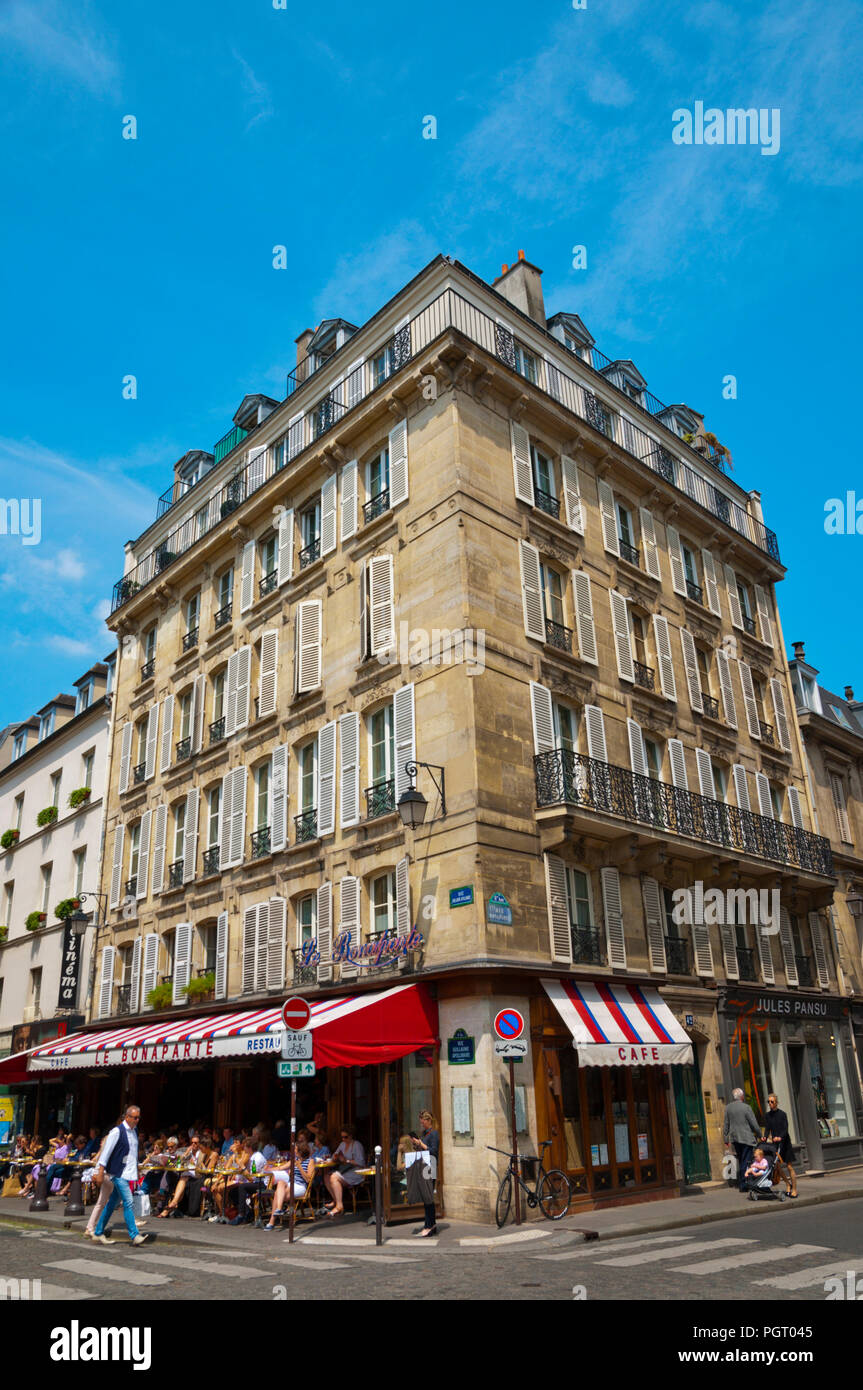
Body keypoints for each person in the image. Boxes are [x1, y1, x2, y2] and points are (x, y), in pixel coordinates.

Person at [92, 1105, 153, 1247]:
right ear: (127, 1117)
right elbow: (106, 1152)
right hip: (118, 1173)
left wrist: (136, 1169)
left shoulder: (134, 1131)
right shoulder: (116, 1131)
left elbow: (132, 1153)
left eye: (138, 1118)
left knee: (112, 1203)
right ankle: (134, 1234)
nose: (137, 1120)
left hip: (128, 1172)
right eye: (134, 1117)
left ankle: (98, 1232)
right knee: (128, 1201)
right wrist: (100, 1171)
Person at [265, 1136, 316, 1230]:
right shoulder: (294, 1160)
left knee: (277, 1194)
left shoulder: (310, 1161)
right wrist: (267, 1170)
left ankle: (271, 1222)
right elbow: (280, 1168)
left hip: (301, 1186)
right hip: (291, 1184)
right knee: (280, 1182)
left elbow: (308, 1179)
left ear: (301, 1151)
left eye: (296, 1149)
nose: (294, 1151)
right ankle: (279, 1209)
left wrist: (299, 1167)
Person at [722, 1087, 762, 1193]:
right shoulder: (746, 1107)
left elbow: (726, 1124)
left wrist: (725, 1138)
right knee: (745, 1160)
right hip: (746, 1138)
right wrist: (759, 1134)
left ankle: (744, 1181)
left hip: (735, 1139)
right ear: (742, 1097)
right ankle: (743, 1184)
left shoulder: (728, 1108)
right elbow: (754, 1123)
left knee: (741, 1160)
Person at [323, 1125, 366, 1217]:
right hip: (345, 1171)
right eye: (342, 1137)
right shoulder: (342, 1144)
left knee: (334, 1177)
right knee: (327, 1176)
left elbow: (361, 1162)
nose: (343, 1139)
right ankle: (336, 1200)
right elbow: (336, 1154)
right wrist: (335, 1157)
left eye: (345, 1137)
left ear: (351, 1136)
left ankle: (339, 1206)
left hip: (356, 1172)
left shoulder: (357, 1145)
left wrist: (346, 1160)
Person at [409, 1109, 439, 1237]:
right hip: (424, 1166)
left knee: (428, 1197)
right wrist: (416, 1144)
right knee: (426, 1197)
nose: (421, 1124)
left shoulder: (434, 1134)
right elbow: (424, 1150)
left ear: (428, 1121)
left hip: (430, 1167)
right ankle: (430, 1224)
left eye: (423, 1122)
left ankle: (429, 1225)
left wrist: (421, 1143)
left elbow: (433, 1151)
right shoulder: (425, 1133)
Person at [764, 1093, 798, 1197]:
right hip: (775, 1144)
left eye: (772, 1101)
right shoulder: (768, 1115)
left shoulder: (782, 1114)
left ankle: (794, 1189)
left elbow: (785, 1128)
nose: (770, 1103)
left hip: (785, 1143)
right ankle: (788, 1184)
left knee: (789, 1166)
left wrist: (780, 1137)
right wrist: (764, 1137)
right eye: (768, 1101)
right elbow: (767, 1128)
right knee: (777, 1166)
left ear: (776, 1103)